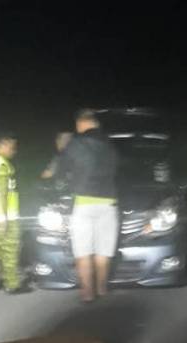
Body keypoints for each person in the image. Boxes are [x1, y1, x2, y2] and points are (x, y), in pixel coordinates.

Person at [55, 109, 119, 302]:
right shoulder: (110, 145)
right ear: (95, 124)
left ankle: (87, 293)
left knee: (83, 252)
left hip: (83, 204)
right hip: (109, 203)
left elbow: (62, 170)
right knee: (103, 252)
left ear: (80, 124)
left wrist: (61, 181)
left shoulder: (75, 144)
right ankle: (101, 288)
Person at [0, 135, 31, 294]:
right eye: (11, 146)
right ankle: (12, 284)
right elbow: (2, 192)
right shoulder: (2, 164)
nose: (14, 151)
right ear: (2, 144)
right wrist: (3, 219)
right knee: (10, 250)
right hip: (4, 216)